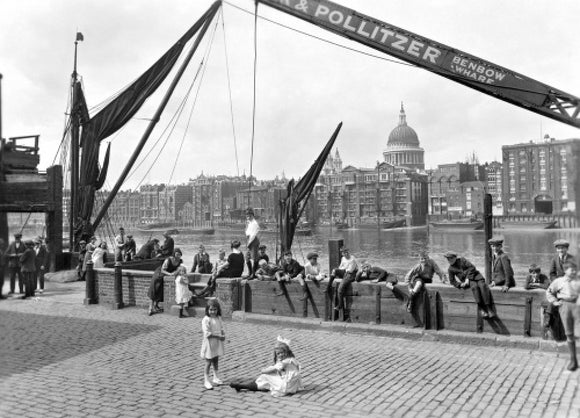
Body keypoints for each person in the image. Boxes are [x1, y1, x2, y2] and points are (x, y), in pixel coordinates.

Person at [229, 336, 302, 397]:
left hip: (286, 387)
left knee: (265, 376)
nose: (280, 355)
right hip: (291, 386)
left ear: (286, 352)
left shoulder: (285, 362)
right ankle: (245, 384)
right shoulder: (291, 359)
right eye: (278, 354)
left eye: (281, 353)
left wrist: (263, 370)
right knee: (268, 378)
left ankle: (242, 386)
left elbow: (270, 369)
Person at [546, 261, 580, 371]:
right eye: (572, 269)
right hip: (565, 307)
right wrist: (554, 302)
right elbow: (549, 292)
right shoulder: (558, 281)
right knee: (569, 334)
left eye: (575, 269)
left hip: (577, 306)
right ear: (565, 271)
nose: (574, 271)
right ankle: (573, 360)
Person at [445, 251, 496, 319]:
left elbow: (472, 267)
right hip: (469, 282)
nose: (449, 260)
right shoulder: (450, 269)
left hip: (477, 276)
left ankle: (489, 308)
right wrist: (460, 285)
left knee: (483, 286)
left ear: (455, 257)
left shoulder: (462, 260)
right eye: (448, 259)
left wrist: (467, 278)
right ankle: (481, 308)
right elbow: (452, 281)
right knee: (475, 287)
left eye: (450, 258)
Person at [403, 251, 447, 315]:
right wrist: (409, 287)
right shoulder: (418, 266)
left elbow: (439, 271)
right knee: (419, 284)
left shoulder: (432, 263)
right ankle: (410, 301)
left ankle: (411, 299)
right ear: (420, 259)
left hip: (428, 280)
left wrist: (443, 279)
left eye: (425, 258)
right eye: (422, 259)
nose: (423, 260)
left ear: (428, 258)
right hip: (419, 278)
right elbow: (408, 276)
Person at [147, 248, 183, 316]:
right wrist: (170, 274)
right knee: (154, 290)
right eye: (177, 254)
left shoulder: (180, 261)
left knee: (160, 291)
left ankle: (156, 306)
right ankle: (150, 308)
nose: (178, 256)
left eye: (179, 255)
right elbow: (162, 270)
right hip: (159, 274)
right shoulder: (168, 259)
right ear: (174, 254)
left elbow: (179, 269)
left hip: (166, 276)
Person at [200, 299, 226, 390]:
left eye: (215, 309)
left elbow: (221, 327)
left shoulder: (218, 318)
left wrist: (223, 334)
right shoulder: (206, 319)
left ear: (218, 310)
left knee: (215, 359)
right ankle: (206, 380)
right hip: (209, 343)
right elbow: (207, 333)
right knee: (208, 361)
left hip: (217, 343)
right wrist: (218, 336)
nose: (213, 312)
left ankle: (216, 377)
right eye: (211, 310)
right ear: (207, 310)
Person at [328, 248, 359, 319]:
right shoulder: (343, 258)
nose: (346, 254)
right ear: (342, 254)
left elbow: (350, 270)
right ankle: (329, 285)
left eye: (347, 252)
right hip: (345, 272)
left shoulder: (352, 259)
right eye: (344, 253)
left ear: (349, 252)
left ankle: (340, 304)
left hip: (350, 274)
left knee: (340, 288)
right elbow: (340, 267)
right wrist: (340, 271)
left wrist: (343, 270)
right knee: (334, 270)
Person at [245, 208, 261, 278]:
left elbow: (253, 235)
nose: (248, 217)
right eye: (247, 215)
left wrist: (249, 243)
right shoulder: (249, 223)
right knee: (247, 257)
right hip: (249, 239)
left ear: (252, 215)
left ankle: (253, 274)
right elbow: (247, 232)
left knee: (254, 258)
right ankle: (250, 272)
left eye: (249, 216)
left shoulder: (254, 223)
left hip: (253, 241)